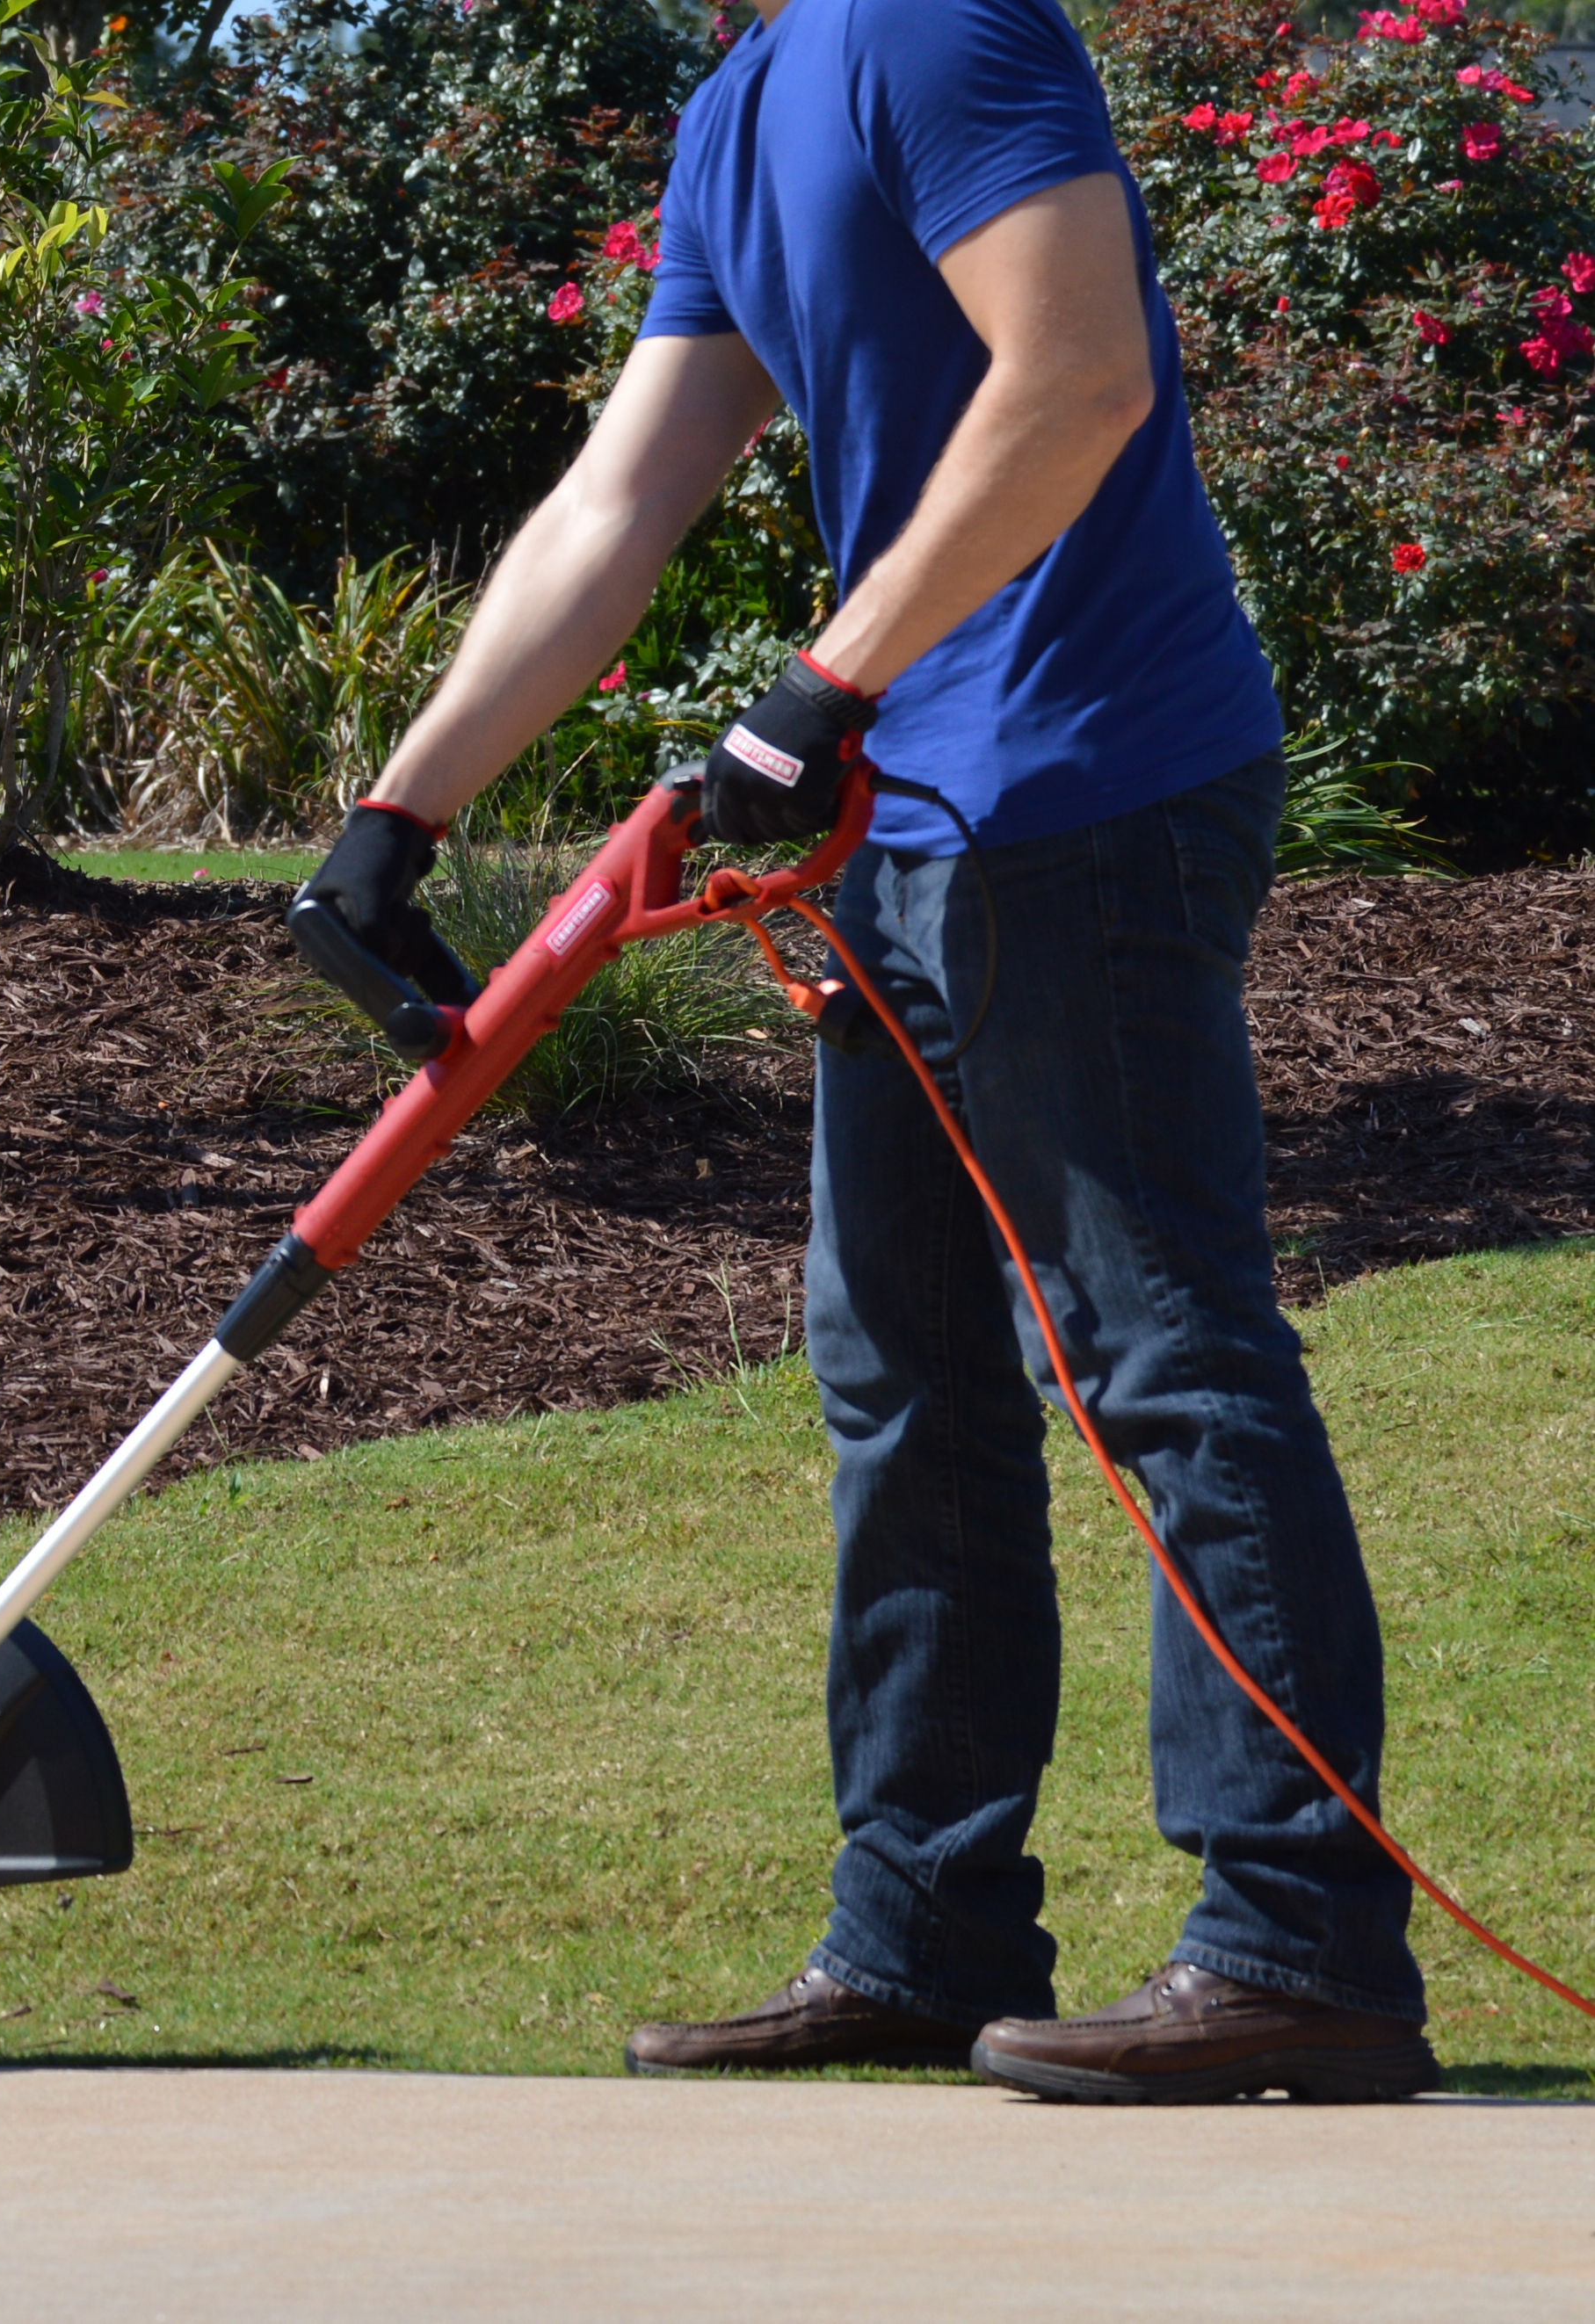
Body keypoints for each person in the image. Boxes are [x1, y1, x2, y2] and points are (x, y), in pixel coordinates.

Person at [289, 0, 1437, 2103]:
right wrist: (401, 811)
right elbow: (619, 496)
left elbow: (1075, 374)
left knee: (1156, 1343)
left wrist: (822, 678)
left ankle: (1304, 1941)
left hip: (1086, 783)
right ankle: (924, 1928)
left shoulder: (937, 25)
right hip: (907, 812)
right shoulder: (746, 104)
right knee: (899, 1368)